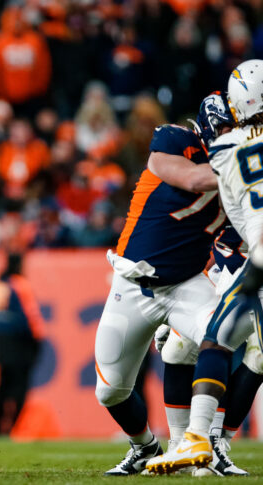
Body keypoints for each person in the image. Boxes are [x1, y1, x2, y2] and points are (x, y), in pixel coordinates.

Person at [95, 92, 228, 476]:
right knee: (111, 391)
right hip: (134, 283)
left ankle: (203, 440)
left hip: (187, 284)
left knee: (220, 335)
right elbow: (192, 178)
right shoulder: (175, 141)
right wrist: (246, 166)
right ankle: (143, 447)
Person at [147, 59, 263, 474]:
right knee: (190, 344)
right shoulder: (215, 150)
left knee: (235, 348)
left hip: (249, 255)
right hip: (229, 258)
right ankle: (188, 442)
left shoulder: (227, 151)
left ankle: (215, 442)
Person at [0, 252, 46, 436]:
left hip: (1, 341)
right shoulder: (20, 284)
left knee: (3, 384)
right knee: (21, 385)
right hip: (21, 343)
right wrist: (38, 340)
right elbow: (31, 316)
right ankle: (11, 427)